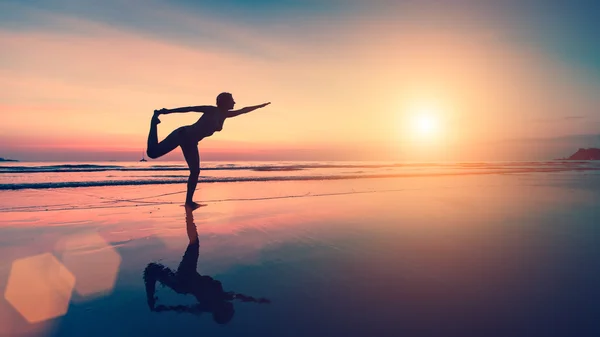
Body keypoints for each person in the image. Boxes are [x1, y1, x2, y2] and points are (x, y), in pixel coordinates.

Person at [143, 206, 270, 324]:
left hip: (185, 280)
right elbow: (240, 296)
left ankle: (189, 211)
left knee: (154, 268)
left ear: (224, 312)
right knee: (154, 269)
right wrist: (256, 300)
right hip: (184, 281)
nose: (232, 308)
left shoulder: (215, 301)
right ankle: (189, 212)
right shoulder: (220, 299)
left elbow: (186, 309)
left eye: (231, 311)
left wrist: (167, 308)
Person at [146, 93, 270, 208]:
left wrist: (260, 106)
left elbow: (244, 110)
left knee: (195, 171)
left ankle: (189, 202)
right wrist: (167, 111)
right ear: (225, 102)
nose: (235, 102)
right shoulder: (211, 110)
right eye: (232, 100)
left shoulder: (225, 114)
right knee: (152, 153)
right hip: (183, 134)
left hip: (191, 141)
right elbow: (190, 108)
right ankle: (154, 121)